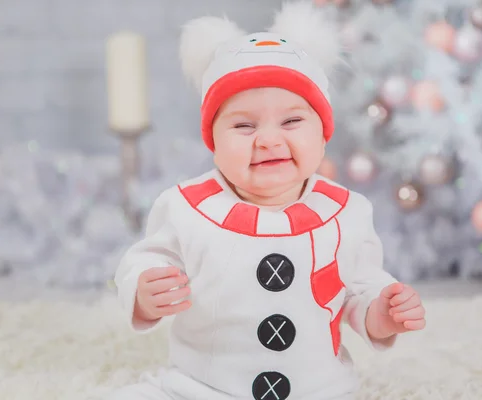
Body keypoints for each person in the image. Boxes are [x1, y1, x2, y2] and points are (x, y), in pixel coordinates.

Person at [107, 2, 426, 399]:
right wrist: (144, 290)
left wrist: (382, 312)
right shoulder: (187, 207)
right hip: (201, 387)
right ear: (213, 141)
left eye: (292, 121)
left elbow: (358, 290)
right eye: (243, 125)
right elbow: (145, 259)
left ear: (323, 133)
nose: (269, 140)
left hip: (319, 390)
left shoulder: (345, 213)